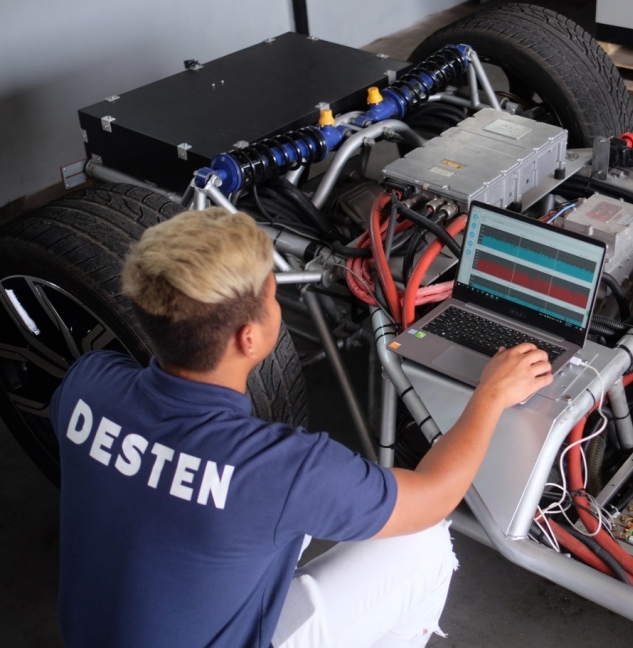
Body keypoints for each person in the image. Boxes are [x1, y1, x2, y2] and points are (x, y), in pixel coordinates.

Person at [49, 207, 553, 648]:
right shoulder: (278, 469)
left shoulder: (86, 386)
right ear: (249, 338)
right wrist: (491, 395)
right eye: (274, 296)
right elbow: (435, 496)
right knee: (423, 544)